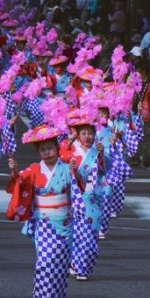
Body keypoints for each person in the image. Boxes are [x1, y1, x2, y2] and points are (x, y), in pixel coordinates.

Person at [7, 124, 83, 298]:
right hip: (43, 224)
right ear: (38, 152)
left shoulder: (65, 168)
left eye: (50, 148)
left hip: (64, 222)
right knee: (45, 262)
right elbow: (19, 182)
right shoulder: (34, 169)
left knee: (61, 263)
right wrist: (13, 170)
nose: (47, 152)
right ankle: (42, 295)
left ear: (57, 148)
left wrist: (76, 172)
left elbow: (79, 186)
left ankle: (55, 295)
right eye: (43, 150)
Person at [60, 112, 105, 281]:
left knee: (91, 236)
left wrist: (101, 155)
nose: (88, 136)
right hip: (74, 198)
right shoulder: (71, 152)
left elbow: (103, 172)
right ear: (77, 135)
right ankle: (79, 267)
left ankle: (80, 265)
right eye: (84, 133)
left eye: (90, 133)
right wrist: (74, 171)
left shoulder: (96, 151)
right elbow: (60, 168)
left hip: (92, 198)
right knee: (77, 235)